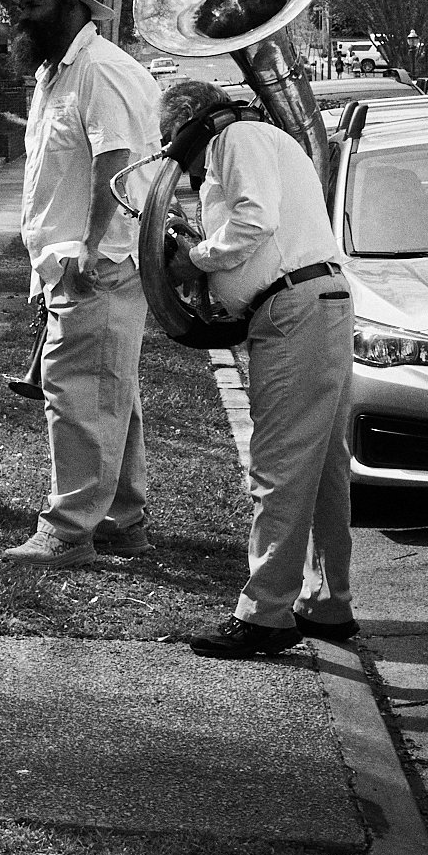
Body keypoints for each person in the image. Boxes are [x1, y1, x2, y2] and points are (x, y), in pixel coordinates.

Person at [158, 81, 356, 657]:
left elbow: (254, 220)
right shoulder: (254, 139)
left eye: (170, 136)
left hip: (293, 307)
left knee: (279, 464)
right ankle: (326, 602)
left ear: (190, 119)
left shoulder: (236, 137)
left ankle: (265, 614)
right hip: (310, 302)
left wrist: (194, 259)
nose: (174, 154)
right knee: (321, 467)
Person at [0, 0, 160, 567]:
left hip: (99, 262)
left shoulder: (101, 70)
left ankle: (67, 529)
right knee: (110, 394)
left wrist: (87, 245)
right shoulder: (56, 73)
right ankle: (121, 521)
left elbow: (115, 162)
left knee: (80, 398)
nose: (20, 14)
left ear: (72, 9)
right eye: (21, 2)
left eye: (34, 3)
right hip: (72, 261)